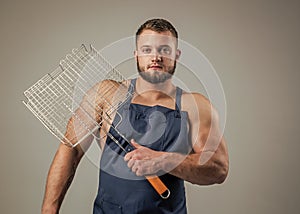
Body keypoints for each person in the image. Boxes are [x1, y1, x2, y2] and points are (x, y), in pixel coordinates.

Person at [41, 18, 229, 214]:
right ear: (136, 54)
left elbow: (218, 168)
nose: (155, 57)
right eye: (147, 50)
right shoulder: (107, 95)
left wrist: (165, 161)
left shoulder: (195, 106)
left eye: (164, 50)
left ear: (177, 55)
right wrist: (49, 209)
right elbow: (70, 148)